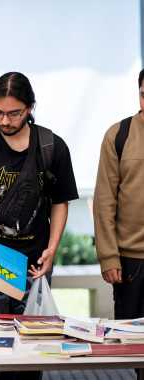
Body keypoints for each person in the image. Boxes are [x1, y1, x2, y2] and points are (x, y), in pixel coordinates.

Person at [0, 72, 78, 380]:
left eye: (14, 113)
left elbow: (60, 202)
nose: (5, 120)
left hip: (34, 259)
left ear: (31, 108)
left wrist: (52, 248)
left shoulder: (52, 146)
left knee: (31, 349)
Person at [94, 68, 144, 323]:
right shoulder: (118, 134)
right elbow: (104, 201)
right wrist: (109, 257)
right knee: (133, 344)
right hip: (130, 262)